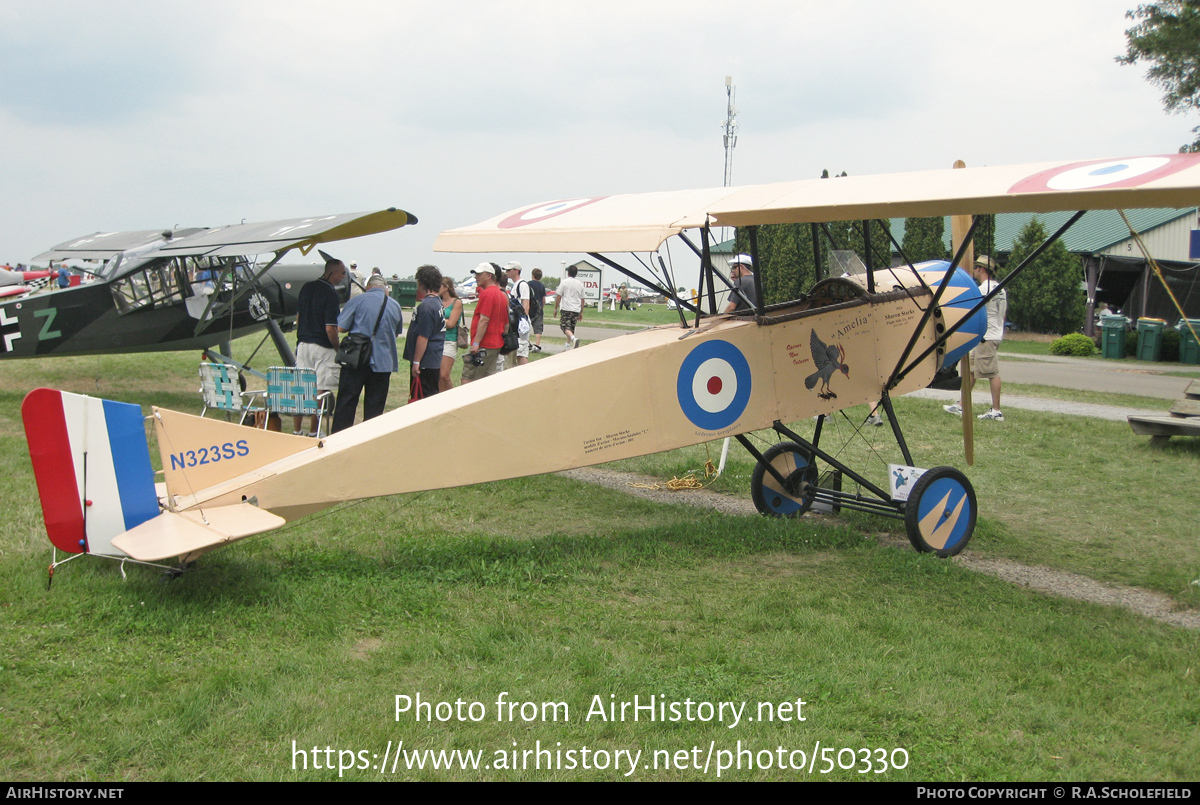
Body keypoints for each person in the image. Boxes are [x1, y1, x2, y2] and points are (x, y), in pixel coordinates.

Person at [331, 274, 403, 433]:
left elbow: (341, 327)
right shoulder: (394, 305)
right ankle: (369, 438)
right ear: (385, 288)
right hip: (383, 361)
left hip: (356, 358)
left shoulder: (357, 301)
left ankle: (340, 436)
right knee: (375, 407)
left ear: (368, 286)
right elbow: (396, 332)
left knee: (346, 401)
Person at [945, 255, 1008, 422]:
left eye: (975, 268)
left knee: (992, 373)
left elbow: (971, 310)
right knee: (972, 371)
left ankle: (996, 410)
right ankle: (961, 404)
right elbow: (1002, 314)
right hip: (993, 333)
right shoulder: (1000, 288)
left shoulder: (982, 289)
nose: (973, 271)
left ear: (981, 269)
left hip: (986, 336)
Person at [293, 258, 344, 436]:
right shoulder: (331, 294)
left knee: (301, 387)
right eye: (342, 273)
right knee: (320, 389)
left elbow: (299, 317)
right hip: (321, 346)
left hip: (303, 343)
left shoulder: (307, 287)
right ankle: (314, 431)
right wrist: (337, 348)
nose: (343, 277)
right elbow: (330, 328)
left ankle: (297, 429)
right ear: (333, 272)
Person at [404, 265, 445, 401]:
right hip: (432, 358)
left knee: (424, 397)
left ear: (421, 283)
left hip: (426, 361)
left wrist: (416, 362)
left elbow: (423, 337)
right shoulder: (437, 303)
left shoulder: (427, 306)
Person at [461, 262, 507, 383]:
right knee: (486, 380)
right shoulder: (501, 294)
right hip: (496, 343)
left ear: (489, 276)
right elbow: (506, 323)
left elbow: (484, 319)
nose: (476, 277)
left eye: (479, 274)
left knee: (468, 379)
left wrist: (476, 343)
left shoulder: (487, 293)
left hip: (484, 344)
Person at [504, 261, 532, 366]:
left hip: (520, 324)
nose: (506, 272)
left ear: (516, 271)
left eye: (509, 270)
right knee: (515, 352)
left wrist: (522, 323)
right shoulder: (515, 285)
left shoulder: (522, 284)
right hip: (515, 322)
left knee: (521, 353)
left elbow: (526, 304)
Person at [439, 276, 463, 392]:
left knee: (444, 374)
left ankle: (452, 396)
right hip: (437, 339)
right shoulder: (438, 301)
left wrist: (436, 320)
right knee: (438, 375)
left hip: (449, 340)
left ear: (446, 287)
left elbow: (451, 323)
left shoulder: (456, 302)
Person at [555, 265, 585, 349]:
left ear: (568, 273)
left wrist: (555, 308)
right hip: (576, 309)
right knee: (571, 327)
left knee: (564, 326)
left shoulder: (564, 282)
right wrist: (581, 312)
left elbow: (559, 296)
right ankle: (568, 344)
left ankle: (573, 339)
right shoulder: (580, 284)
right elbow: (583, 300)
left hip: (567, 308)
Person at [528, 268, 547, 352]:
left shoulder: (528, 284)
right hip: (538, 310)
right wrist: (542, 306)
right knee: (538, 328)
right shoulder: (542, 286)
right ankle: (537, 345)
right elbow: (543, 299)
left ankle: (527, 343)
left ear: (532, 275)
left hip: (529, 308)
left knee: (527, 326)